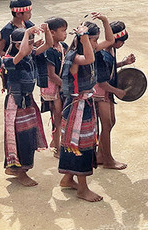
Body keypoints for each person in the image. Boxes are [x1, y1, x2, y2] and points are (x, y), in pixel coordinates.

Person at [58, 19, 102, 202]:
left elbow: (105, 44)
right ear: (84, 40)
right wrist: (84, 37)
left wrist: (105, 21)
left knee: (80, 143)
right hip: (77, 108)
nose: (96, 44)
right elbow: (90, 58)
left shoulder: (85, 52)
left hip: (84, 105)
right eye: (93, 40)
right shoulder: (75, 56)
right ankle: (82, 189)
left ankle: (68, 178)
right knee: (80, 145)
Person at [2, 24, 49, 186]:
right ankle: (21, 172)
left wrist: (47, 29)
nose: (32, 45)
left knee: (29, 135)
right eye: (29, 42)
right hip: (15, 103)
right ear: (17, 44)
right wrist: (27, 32)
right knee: (20, 137)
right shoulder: (8, 60)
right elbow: (21, 52)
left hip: (27, 101)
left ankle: (15, 168)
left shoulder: (31, 55)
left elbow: (48, 44)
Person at [93, 16, 131, 170]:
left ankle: (101, 154)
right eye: (121, 41)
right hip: (100, 92)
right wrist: (118, 91)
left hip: (107, 91)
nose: (122, 44)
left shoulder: (112, 49)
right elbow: (101, 81)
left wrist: (124, 63)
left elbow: (111, 67)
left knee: (111, 122)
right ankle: (108, 160)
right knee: (106, 124)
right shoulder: (100, 54)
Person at [40, 17, 69, 156]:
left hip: (62, 85)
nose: (65, 34)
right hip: (54, 87)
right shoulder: (49, 51)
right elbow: (51, 75)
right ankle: (57, 147)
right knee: (57, 117)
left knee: (63, 116)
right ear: (51, 32)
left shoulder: (63, 47)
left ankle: (58, 142)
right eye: (63, 31)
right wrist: (65, 85)